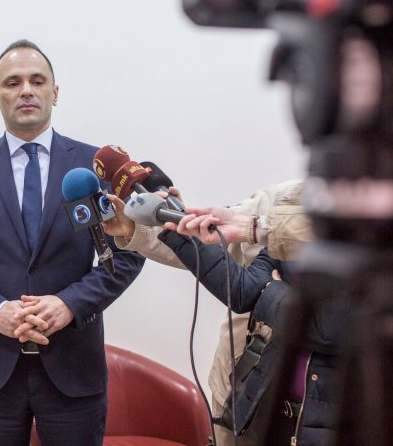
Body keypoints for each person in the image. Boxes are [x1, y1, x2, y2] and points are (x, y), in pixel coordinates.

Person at [0, 39, 144, 446]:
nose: (26, 90)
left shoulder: (93, 167)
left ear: (55, 93)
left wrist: (68, 304)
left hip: (73, 368)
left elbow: (127, 254)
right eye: (12, 82)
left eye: (37, 81)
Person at [102, 180, 307, 446]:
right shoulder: (281, 199)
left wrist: (274, 298)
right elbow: (211, 245)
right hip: (243, 394)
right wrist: (156, 223)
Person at [157, 218, 343, 445]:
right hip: (269, 407)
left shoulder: (374, 248)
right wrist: (182, 232)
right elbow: (246, 290)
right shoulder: (298, 229)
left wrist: (273, 293)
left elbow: (330, 328)